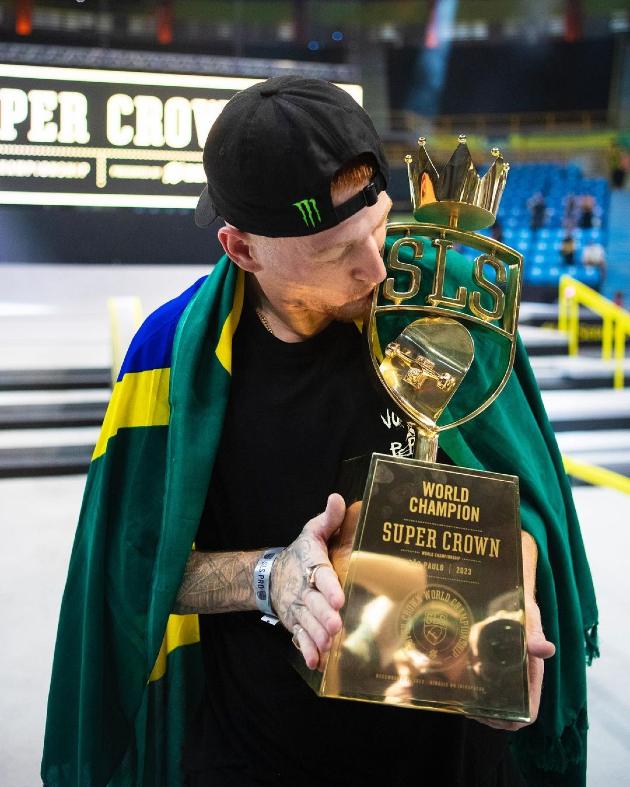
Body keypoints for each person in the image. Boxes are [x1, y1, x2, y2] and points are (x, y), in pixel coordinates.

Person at [42, 78, 598, 787]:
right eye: (336, 253)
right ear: (243, 249)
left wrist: (514, 599)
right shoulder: (173, 360)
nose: (378, 267)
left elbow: (523, 499)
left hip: (457, 761)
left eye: (380, 226)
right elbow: (140, 567)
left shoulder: (448, 306)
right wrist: (270, 576)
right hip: (260, 755)